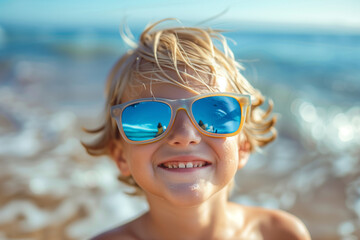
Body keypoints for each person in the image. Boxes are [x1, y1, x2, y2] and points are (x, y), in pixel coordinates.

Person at [83, 18, 311, 240]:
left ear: (243, 145)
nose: (184, 136)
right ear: (121, 156)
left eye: (214, 114)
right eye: (149, 119)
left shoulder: (280, 233)